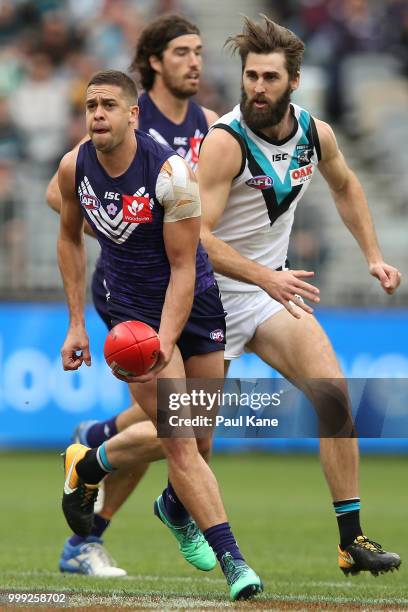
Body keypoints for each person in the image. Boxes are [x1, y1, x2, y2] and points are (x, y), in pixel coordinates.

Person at [197, 15, 402, 577]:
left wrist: (373, 256)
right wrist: (266, 276)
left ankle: (351, 540)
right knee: (185, 435)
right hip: (208, 297)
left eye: (269, 77)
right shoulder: (225, 143)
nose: (257, 87)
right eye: (251, 76)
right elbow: (196, 236)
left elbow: (346, 184)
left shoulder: (316, 133)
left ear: (294, 82)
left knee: (334, 398)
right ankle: (97, 460)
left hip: (267, 297)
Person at [57, 69, 262, 601]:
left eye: (108, 105)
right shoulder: (73, 167)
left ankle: (94, 459)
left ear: (132, 115)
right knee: (180, 439)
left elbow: (184, 268)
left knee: (201, 437)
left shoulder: (171, 173)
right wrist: (78, 323)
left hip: (193, 304)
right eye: (90, 105)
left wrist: (169, 340)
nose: (97, 114)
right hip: (131, 313)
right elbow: (68, 238)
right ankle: (234, 562)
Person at [46, 14, 219, 577]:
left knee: (199, 430)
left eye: (198, 51)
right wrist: (119, 227)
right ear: (153, 64)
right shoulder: (118, 117)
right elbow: (62, 197)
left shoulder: (210, 124)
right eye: (181, 52)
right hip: (133, 297)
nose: (195, 61)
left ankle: (97, 443)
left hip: (196, 284)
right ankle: (88, 536)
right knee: (179, 433)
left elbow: (204, 228)